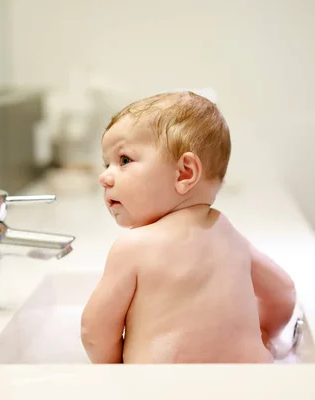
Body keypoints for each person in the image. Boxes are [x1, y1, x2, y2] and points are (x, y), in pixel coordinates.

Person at [80, 91, 297, 363]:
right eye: (106, 163)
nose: (104, 176)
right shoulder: (227, 234)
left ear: (185, 173)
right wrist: (264, 333)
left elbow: (93, 331)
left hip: (165, 388)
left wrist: (115, 372)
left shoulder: (133, 248)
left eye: (124, 160)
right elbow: (284, 291)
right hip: (249, 384)